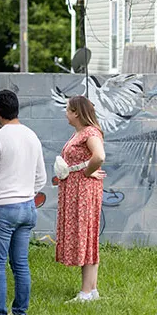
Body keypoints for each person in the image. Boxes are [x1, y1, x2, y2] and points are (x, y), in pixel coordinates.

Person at [0, 90, 47, 315]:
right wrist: (28, 193)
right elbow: (41, 177)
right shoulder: (32, 136)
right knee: (20, 263)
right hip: (27, 206)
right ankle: (20, 313)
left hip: (1, 207)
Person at [56, 95, 107, 302]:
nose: (65, 112)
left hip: (84, 190)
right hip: (77, 189)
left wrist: (86, 172)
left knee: (86, 234)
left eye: (67, 109)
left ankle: (86, 292)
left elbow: (99, 156)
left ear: (76, 112)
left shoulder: (90, 132)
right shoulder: (80, 132)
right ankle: (91, 290)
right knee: (88, 235)